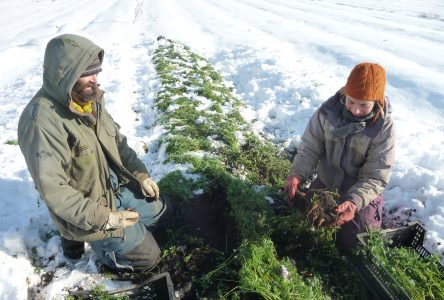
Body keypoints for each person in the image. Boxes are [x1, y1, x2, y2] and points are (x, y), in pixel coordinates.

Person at [18, 34, 168, 273]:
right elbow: (55, 192)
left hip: (111, 187)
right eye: (87, 73)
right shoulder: (41, 122)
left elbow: (118, 143)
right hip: (90, 209)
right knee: (148, 259)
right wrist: (106, 218)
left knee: (159, 212)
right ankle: (98, 247)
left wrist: (141, 175)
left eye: (96, 71)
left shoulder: (88, 97)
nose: (94, 79)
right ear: (64, 74)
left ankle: (123, 235)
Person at [285, 62, 395, 253]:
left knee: (355, 244)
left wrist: (354, 201)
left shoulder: (383, 128)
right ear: (344, 93)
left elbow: (375, 175)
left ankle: (366, 215)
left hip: (360, 193)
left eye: (364, 105)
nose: (355, 110)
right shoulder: (328, 112)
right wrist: (296, 175)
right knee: (308, 222)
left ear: (376, 102)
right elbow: (310, 148)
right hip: (327, 184)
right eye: (351, 101)